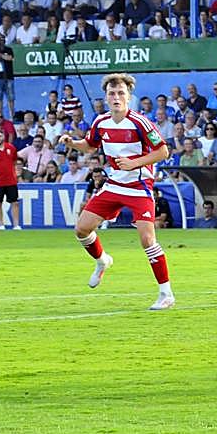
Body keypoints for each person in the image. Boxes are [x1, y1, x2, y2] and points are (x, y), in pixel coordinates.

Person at [59, 73, 175, 311]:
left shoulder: (140, 122)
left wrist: (135, 163)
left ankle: (166, 294)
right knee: (81, 229)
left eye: (121, 93)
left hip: (139, 187)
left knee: (147, 240)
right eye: (112, 93)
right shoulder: (101, 122)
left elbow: (163, 152)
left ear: (128, 97)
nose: (116, 97)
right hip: (113, 185)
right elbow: (90, 146)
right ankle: (102, 261)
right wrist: (72, 143)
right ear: (106, 97)